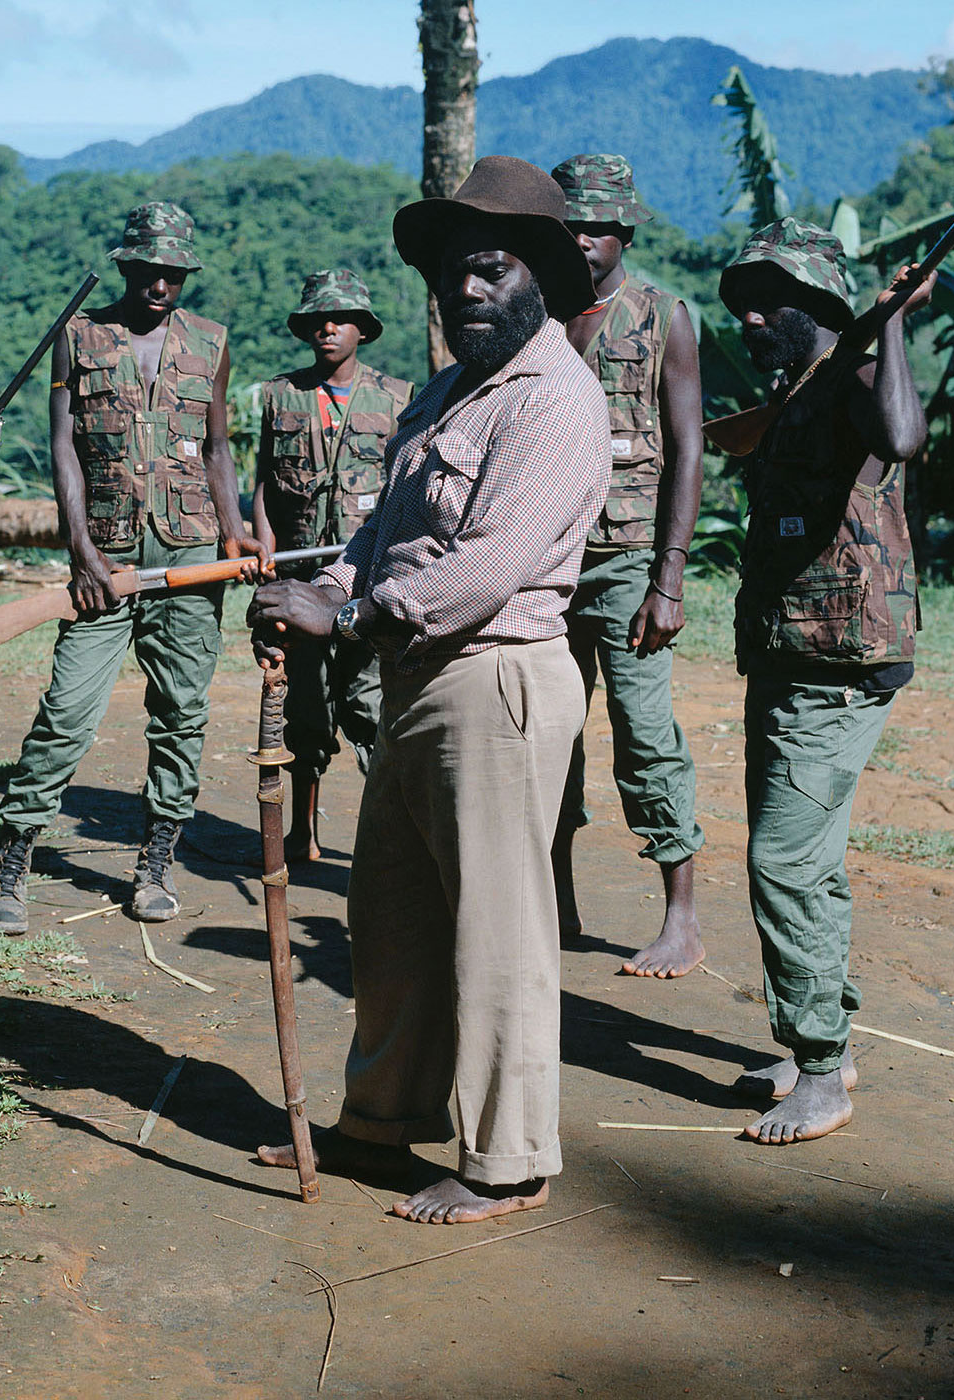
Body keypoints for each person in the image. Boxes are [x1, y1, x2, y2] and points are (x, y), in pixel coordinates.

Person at [248, 156, 610, 1224]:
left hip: (491, 677)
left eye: (490, 270)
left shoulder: (553, 399)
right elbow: (381, 535)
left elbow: (485, 568)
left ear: (537, 276)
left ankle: (507, 1158)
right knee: (390, 916)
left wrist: (348, 617)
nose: (466, 290)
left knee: (494, 931)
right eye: (452, 273)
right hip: (416, 680)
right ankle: (379, 1120)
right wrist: (315, 589)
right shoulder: (448, 391)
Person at [0, 201, 261, 932]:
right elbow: (63, 447)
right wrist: (80, 550)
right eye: (147, 270)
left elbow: (220, 449)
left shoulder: (211, 342)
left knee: (180, 714)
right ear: (126, 265)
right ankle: (14, 860)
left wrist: (234, 535)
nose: (160, 284)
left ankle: (156, 861)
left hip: (190, 552)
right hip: (105, 555)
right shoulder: (80, 337)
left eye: (173, 272)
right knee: (68, 712)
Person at [717, 218, 931, 1145]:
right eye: (744, 304)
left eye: (770, 302)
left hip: (840, 663)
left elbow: (904, 437)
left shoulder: (855, 376)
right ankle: (829, 1044)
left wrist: (887, 324)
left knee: (783, 862)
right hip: (791, 654)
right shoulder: (792, 384)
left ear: (817, 306)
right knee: (808, 857)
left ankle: (817, 1070)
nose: (752, 317)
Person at [548, 154, 708, 977]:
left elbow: (688, 449)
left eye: (597, 226)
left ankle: (680, 916)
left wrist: (668, 577)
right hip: (542, 563)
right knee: (548, 736)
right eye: (570, 223)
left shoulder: (661, 316)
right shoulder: (537, 316)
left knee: (645, 737)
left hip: (627, 565)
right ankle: (556, 902)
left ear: (625, 232)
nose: (582, 238)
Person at [251, 269, 413, 861]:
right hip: (297, 579)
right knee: (305, 709)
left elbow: (408, 487)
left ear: (363, 330)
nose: (328, 328)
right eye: (318, 319)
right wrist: (263, 549)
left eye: (341, 318)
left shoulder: (398, 397)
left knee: (370, 706)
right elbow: (264, 481)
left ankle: (387, 839)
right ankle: (304, 831)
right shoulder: (279, 395)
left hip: (366, 578)